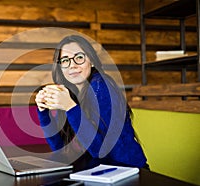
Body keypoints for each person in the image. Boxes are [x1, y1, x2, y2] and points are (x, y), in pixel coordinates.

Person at [35, 35, 148, 168]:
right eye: (65, 60)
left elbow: (100, 150)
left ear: (92, 61)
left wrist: (70, 107)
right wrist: (43, 112)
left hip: (129, 171)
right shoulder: (71, 93)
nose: (72, 65)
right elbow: (59, 148)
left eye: (79, 57)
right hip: (100, 171)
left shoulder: (101, 87)